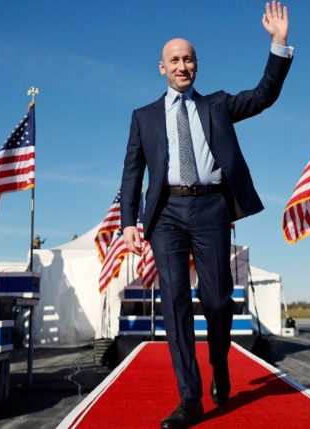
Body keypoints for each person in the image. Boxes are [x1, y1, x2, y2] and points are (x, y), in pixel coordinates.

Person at [119, 2, 292, 427]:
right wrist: (128, 221)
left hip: (212, 207)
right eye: (175, 60)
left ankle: (220, 361)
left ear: (197, 65)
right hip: (165, 215)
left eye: (189, 58)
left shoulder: (217, 105)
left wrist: (278, 43)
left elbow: (263, 95)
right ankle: (189, 398)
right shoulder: (143, 117)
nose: (183, 65)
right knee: (175, 301)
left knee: (216, 300)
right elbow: (132, 172)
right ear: (162, 67)